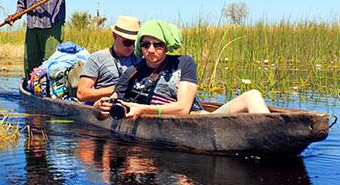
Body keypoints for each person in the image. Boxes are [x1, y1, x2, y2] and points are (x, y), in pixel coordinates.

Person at [93, 19, 270, 120]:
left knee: (252, 95)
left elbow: (183, 108)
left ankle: (266, 134)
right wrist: (98, 107)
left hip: (198, 120)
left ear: (167, 46)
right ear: (141, 47)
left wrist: (142, 109)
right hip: (165, 126)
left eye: (158, 44)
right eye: (146, 44)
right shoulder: (131, 72)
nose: (152, 50)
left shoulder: (183, 62)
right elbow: (105, 110)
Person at [76, 15, 142, 103]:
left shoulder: (140, 59)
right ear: (114, 36)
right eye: (127, 43)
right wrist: (120, 88)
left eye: (135, 44)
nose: (131, 47)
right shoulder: (97, 58)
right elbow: (82, 94)